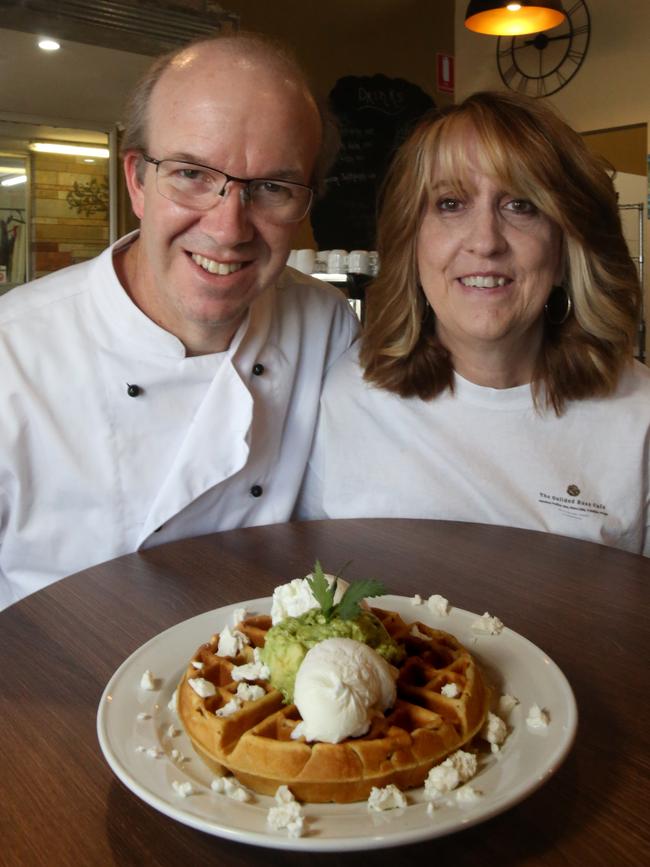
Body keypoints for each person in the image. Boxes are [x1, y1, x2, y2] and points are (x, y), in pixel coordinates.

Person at [0, 32, 358, 610]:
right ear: (138, 180)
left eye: (272, 187)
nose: (228, 228)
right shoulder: (10, 357)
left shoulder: (326, 327)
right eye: (192, 174)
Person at [298, 90, 650, 557]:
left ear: (567, 247)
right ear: (412, 242)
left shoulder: (638, 412)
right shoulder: (344, 396)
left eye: (521, 205)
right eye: (450, 204)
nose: (485, 242)